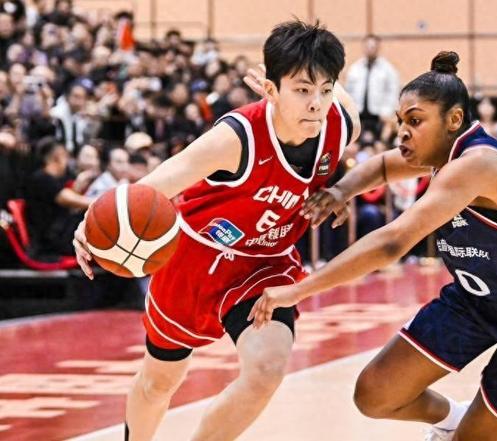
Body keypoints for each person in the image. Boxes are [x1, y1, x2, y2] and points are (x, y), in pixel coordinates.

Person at [250, 51, 497, 441]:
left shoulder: (478, 164)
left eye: (414, 121)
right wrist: (340, 191)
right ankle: (451, 420)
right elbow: (383, 166)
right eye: (401, 121)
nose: (402, 132)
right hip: (479, 301)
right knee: (375, 394)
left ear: (454, 120)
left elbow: (392, 243)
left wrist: (299, 290)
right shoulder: (442, 152)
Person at [72, 20, 360, 441]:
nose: (316, 103)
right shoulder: (235, 138)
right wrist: (91, 222)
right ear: (271, 89)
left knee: (266, 370)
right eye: (302, 90)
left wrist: (341, 190)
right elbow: (154, 185)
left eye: (325, 90)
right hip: (196, 260)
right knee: (159, 381)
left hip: (266, 263)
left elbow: (343, 109)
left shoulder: (340, 123)